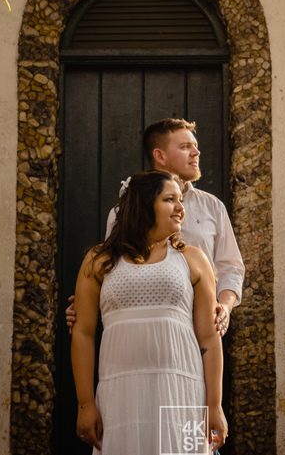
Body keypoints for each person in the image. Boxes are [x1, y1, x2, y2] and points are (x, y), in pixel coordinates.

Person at [72, 170, 228, 453]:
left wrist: (214, 406)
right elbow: (82, 333)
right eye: (170, 199)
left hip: (184, 390)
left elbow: (209, 337)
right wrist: (85, 404)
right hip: (119, 395)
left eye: (181, 200)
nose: (181, 208)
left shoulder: (193, 259)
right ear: (143, 205)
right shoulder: (98, 260)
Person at [68, 118, 245, 336]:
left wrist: (224, 309)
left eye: (196, 147)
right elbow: (111, 270)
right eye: (185, 147)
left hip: (204, 329)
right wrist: (85, 303)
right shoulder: (122, 212)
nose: (196, 153)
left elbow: (231, 268)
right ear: (160, 156)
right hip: (142, 327)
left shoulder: (213, 207)